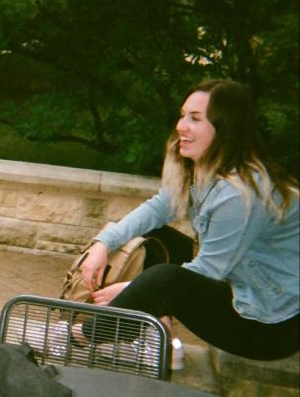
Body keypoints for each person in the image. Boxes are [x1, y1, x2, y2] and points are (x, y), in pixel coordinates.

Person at [74, 80, 299, 362]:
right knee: (155, 238)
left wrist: (136, 290)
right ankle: (159, 337)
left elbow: (206, 271)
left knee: (165, 280)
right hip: (241, 292)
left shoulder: (240, 193)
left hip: (267, 326)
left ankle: (77, 337)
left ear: (225, 129)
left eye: (195, 119)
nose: (181, 126)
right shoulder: (202, 169)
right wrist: (103, 244)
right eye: (182, 115)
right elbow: (156, 209)